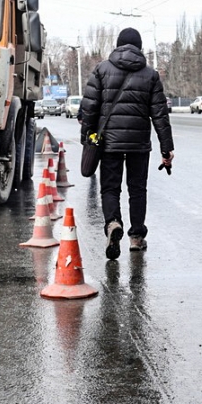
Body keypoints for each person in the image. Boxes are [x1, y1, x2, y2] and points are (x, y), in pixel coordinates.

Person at [78, 27, 174, 259]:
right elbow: (160, 115)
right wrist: (166, 148)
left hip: (109, 143)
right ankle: (136, 237)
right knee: (137, 189)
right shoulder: (150, 75)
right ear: (139, 48)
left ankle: (113, 223)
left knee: (110, 187)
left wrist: (86, 138)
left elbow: (89, 107)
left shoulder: (101, 69)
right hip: (139, 144)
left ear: (118, 45)